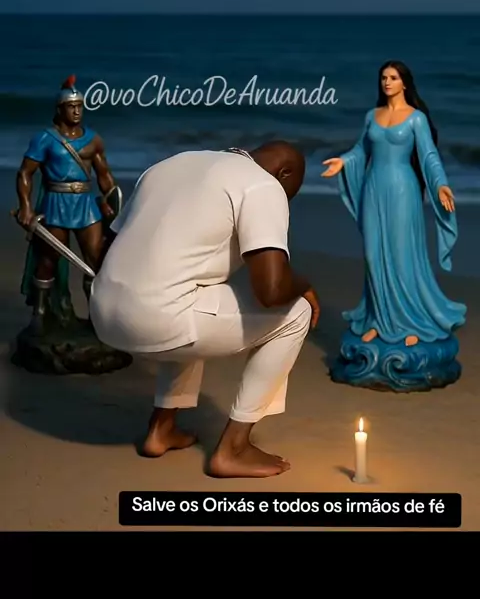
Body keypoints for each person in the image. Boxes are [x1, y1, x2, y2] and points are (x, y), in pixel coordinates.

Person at [90, 142, 320, 478]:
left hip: (102, 312)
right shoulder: (262, 184)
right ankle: (234, 449)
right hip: (158, 321)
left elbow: (104, 251)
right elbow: (271, 292)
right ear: (284, 174)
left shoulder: (168, 165)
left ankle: (161, 430)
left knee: (191, 291)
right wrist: (305, 285)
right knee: (296, 311)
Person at [321, 60, 466, 347]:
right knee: (373, 256)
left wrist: (440, 184)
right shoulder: (372, 116)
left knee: (401, 255)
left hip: (403, 191)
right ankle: (379, 321)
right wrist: (344, 161)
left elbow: (429, 156)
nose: (387, 82)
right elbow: (361, 150)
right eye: (384, 77)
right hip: (373, 189)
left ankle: (411, 323)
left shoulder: (416, 119)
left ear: (405, 83)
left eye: (393, 77)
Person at [15, 75, 121, 332]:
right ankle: (40, 314)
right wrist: (26, 206)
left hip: (85, 205)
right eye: (71, 106)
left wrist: (112, 201)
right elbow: (25, 173)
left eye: (80, 106)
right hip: (56, 204)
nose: (76, 111)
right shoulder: (45, 139)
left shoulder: (93, 140)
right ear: (60, 109)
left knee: (96, 260)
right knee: (48, 259)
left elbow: (104, 175)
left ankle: (96, 316)